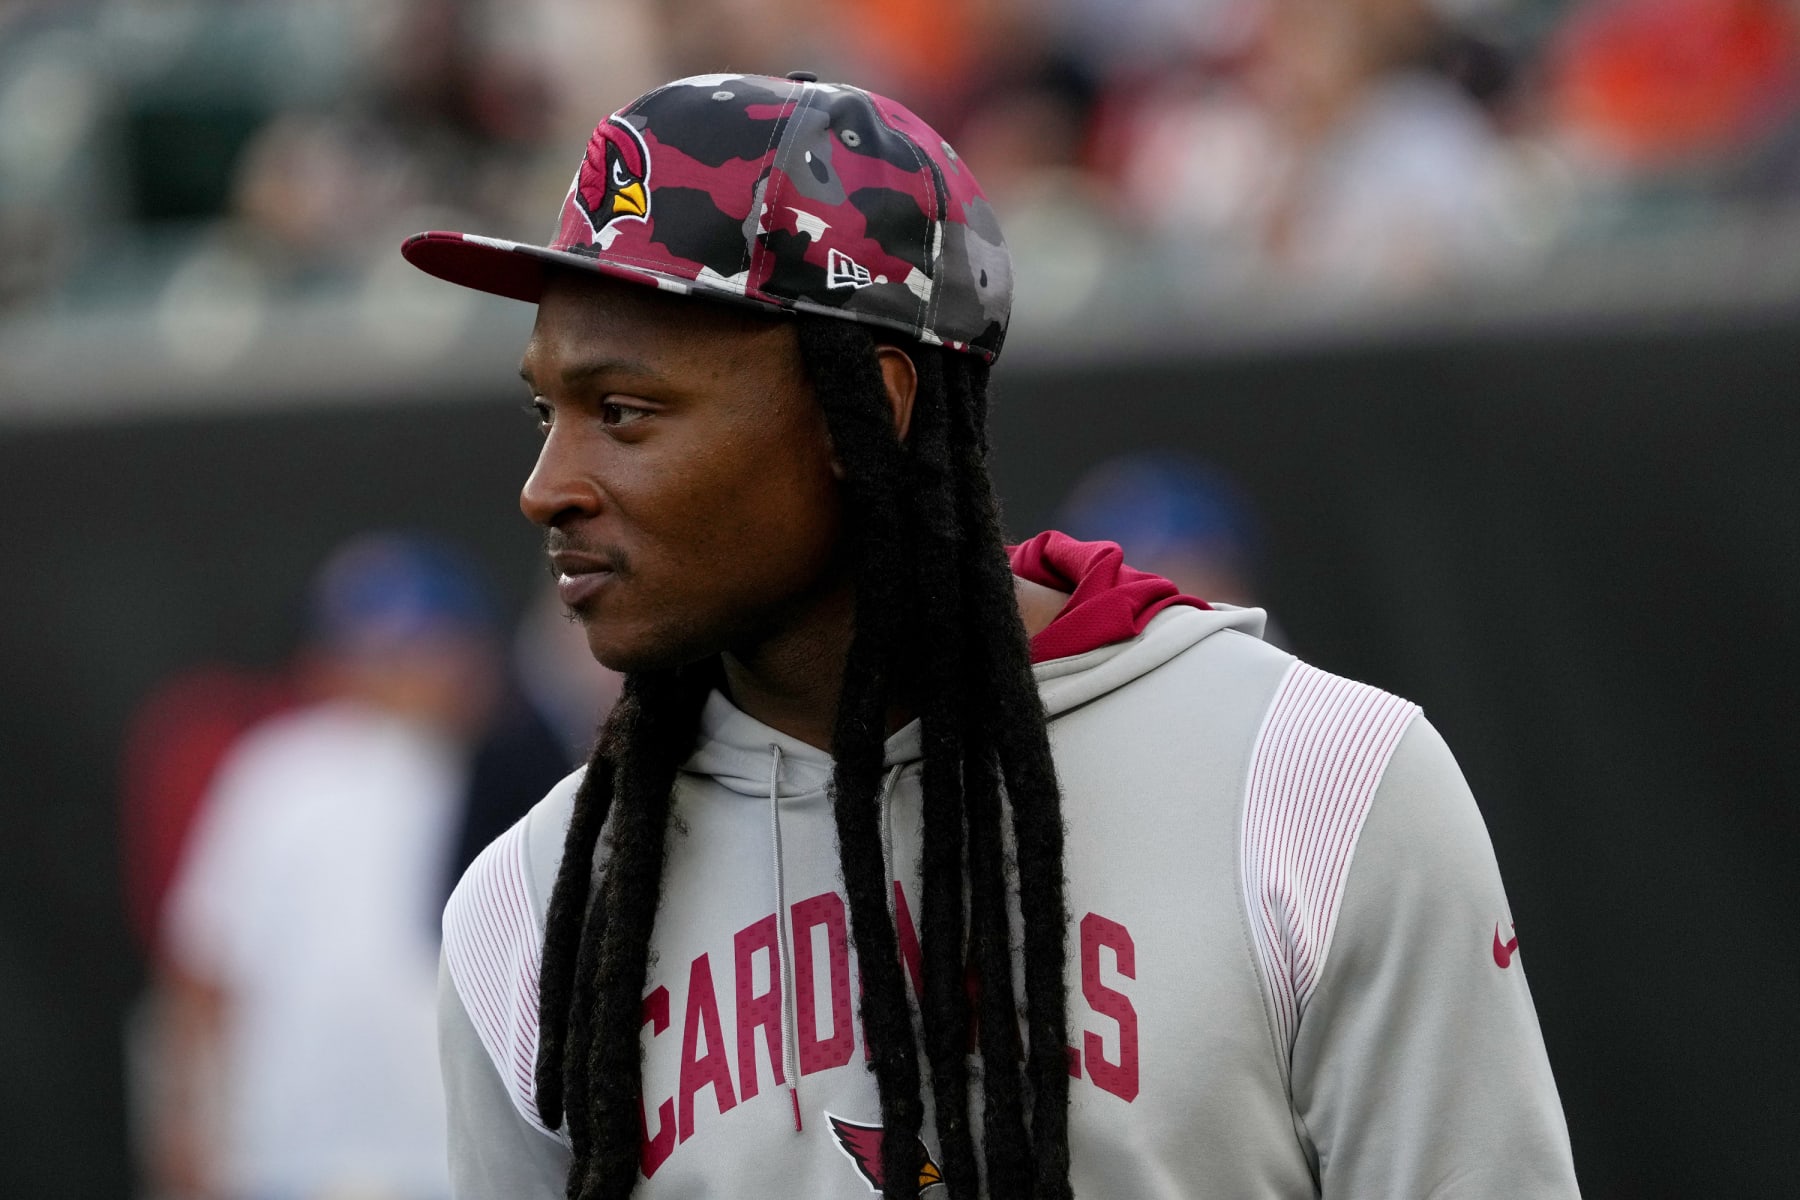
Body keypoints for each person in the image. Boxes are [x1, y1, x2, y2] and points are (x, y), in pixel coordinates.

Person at [402, 72, 1580, 1199]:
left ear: (869, 409)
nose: (545, 485)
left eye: (624, 411)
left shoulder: (1318, 783)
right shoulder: (532, 908)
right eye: (543, 410)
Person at [156, 533, 499, 1200]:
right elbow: (202, 968)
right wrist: (188, 1123)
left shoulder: (506, 779)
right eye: (375, 652)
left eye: (420, 650)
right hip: (286, 1156)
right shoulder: (280, 768)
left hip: (451, 1159)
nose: (400, 674)